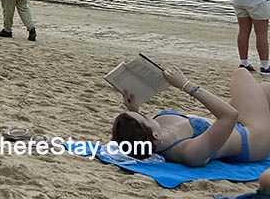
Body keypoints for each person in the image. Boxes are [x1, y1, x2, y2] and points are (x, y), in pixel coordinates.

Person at [113, 66, 270, 165]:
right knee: (241, 74)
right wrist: (186, 85)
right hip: (253, 139)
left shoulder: (153, 132)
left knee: (265, 90)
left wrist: (133, 110)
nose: (144, 113)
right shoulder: (188, 152)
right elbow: (229, 116)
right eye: (144, 117)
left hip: (235, 125)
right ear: (155, 135)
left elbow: (133, 134)